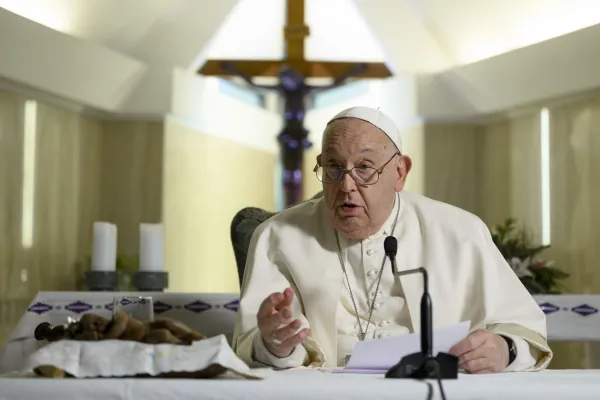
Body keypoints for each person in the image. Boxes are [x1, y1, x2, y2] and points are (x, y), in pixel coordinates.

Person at [232, 106, 552, 373]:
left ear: (400, 172)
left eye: (365, 168)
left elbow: (523, 330)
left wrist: (504, 349)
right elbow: (259, 348)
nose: (346, 186)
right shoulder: (277, 237)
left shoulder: (461, 232)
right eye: (333, 167)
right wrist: (275, 345)